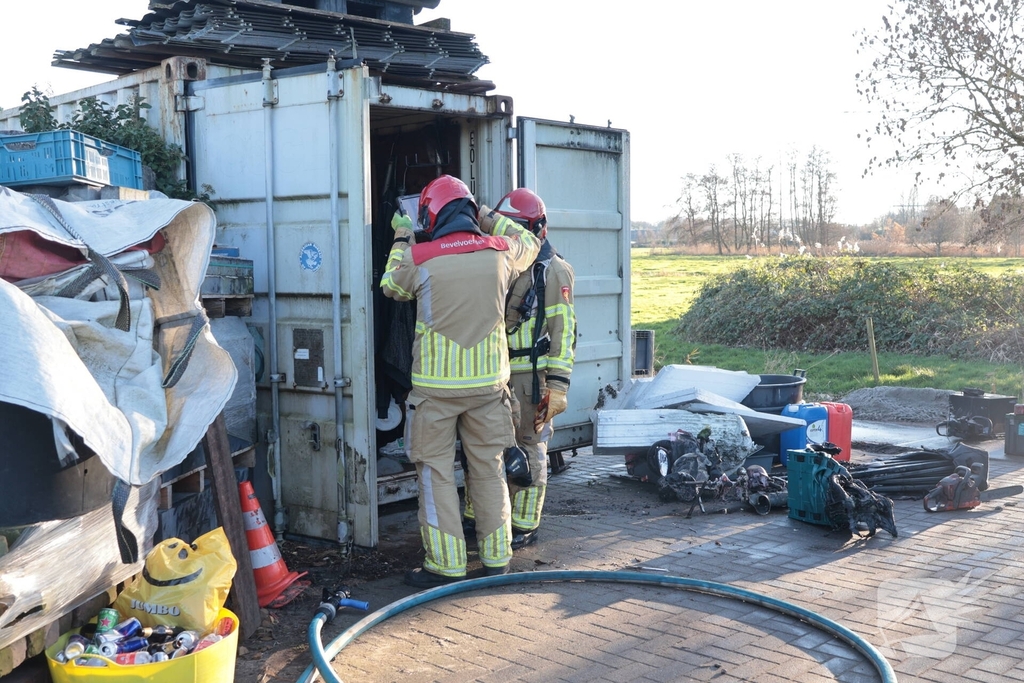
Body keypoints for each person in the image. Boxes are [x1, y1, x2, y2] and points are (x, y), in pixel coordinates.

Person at [380, 175, 541, 588]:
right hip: (489, 389)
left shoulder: (420, 256)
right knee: (488, 470)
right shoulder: (502, 251)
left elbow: (390, 285)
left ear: (431, 216)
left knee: (435, 474)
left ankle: (446, 564)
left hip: (436, 392)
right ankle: (496, 558)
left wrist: (401, 235)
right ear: (470, 212)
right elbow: (532, 241)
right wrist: (489, 216)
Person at [464, 188, 576, 550]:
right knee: (485, 447)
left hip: (530, 378)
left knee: (530, 446)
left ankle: (524, 524)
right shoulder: (498, 260)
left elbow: (564, 333)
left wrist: (557, 388)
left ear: (537, 229)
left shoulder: (554, 270)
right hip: (492, 374)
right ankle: (479, 516)